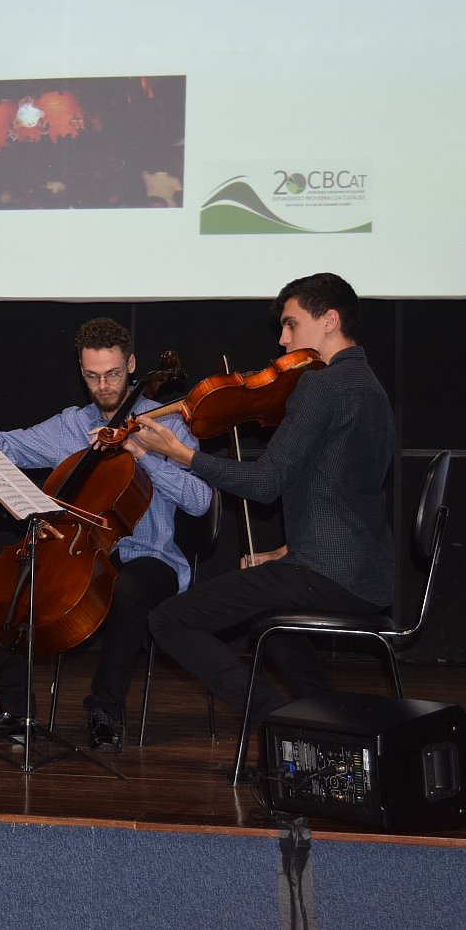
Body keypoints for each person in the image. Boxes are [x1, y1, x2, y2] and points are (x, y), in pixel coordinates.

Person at [137, 272, 397, 727]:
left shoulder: (322, 385)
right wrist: (284, 552)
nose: (282, 339)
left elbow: (264, 483)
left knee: (169, 621)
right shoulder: (370, 385)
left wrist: (180, 454)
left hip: (327, 574)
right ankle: (326, 723)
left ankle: (278, 721)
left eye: (291, 324)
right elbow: (345, 490)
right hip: (367, 575)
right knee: (272, 624)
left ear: (330, 320)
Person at [0, 318, 212, 752]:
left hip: (151, 557)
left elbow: (200, 501)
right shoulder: (70, 426)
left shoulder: (169, 424)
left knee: (128, 589)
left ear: (131, 365)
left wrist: (143, 454)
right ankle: (16, 712)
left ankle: (104, 710)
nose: (103, 386)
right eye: (92, 376)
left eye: (112, 374)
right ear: (81, 370)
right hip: (81, 552)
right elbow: (9, 444)